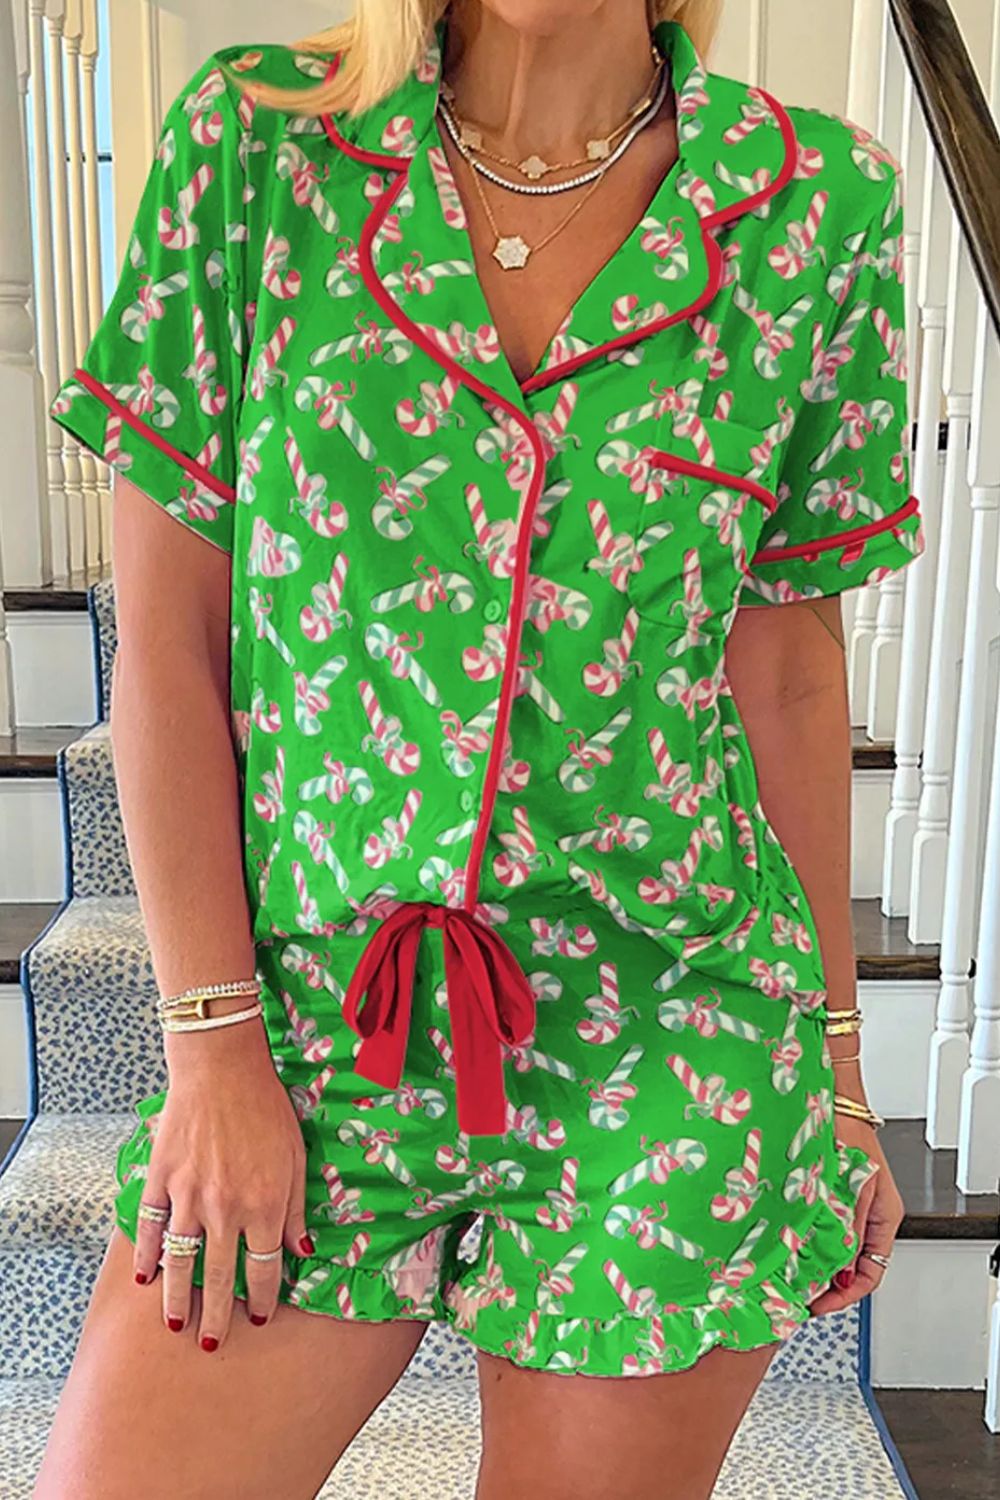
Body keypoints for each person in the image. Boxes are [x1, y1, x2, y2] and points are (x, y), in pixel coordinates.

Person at [36, 1, 921, 1495]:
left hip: (671, 1034)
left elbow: (785, 674)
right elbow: (166, 652)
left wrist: (837, 1073)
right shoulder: (259, 149)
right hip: (316, 1015)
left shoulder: (814, 208)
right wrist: (212, 1048)